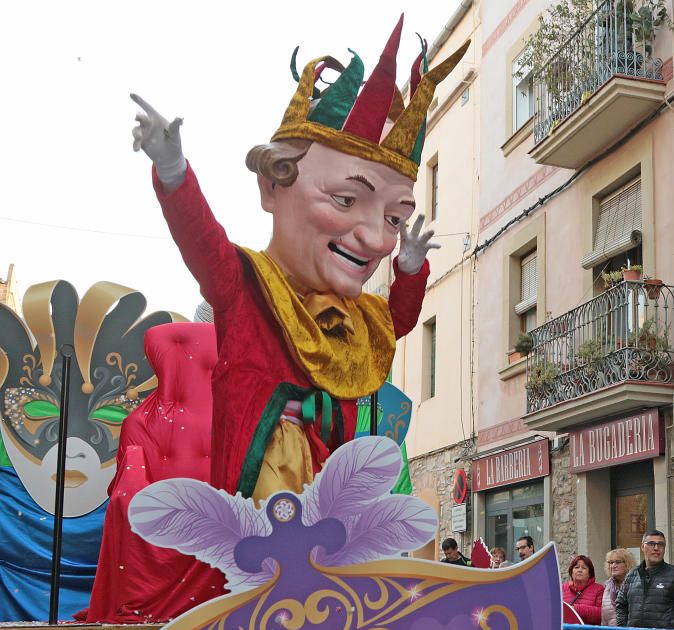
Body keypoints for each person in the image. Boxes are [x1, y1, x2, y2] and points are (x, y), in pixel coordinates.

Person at [129, 20, 469, 503]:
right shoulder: (250, 287)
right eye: (346, 200)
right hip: (257, 487)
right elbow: (204, 246)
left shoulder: (358, 317)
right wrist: (173, 171)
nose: (376, 239)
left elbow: (397, 321)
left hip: (334, 489)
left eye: (394, 219)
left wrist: (410, 269)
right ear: (273, 185)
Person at [615, 530, 674, 629]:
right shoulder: (631, 575)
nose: (656, 548)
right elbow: (621, 605)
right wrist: (625, 629)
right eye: (651, 544)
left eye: (660, 544)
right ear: (642, 547)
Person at [562, 555, 605, 625]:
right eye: (576, 567)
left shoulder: (599, 589)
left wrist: (576, 609)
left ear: (590, 573)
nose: (579, 570)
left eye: (584, 568)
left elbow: (602, 614)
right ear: (571, 572)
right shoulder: (562, 589)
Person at [601, 547, 636, 626]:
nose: (613, 566)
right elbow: (604, 618)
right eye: (610, 562)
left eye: (617, 562)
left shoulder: (636, 584)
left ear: (627, 564)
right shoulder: (606, 587)